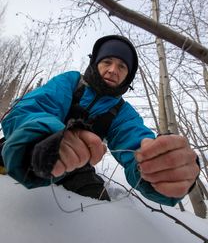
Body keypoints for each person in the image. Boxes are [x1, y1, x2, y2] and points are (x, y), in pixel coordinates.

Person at [1, 35, 200, 205]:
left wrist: (160, 167)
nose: (114, 70)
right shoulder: (71, 82)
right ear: (95, 63)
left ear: (128, 76)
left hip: (78, 169)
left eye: (122, 66)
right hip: (30, 148)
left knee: (99, 202)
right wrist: (44, 140)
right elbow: (26, 109)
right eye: (107, 62)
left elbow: (137, 148)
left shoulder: (122, 112)